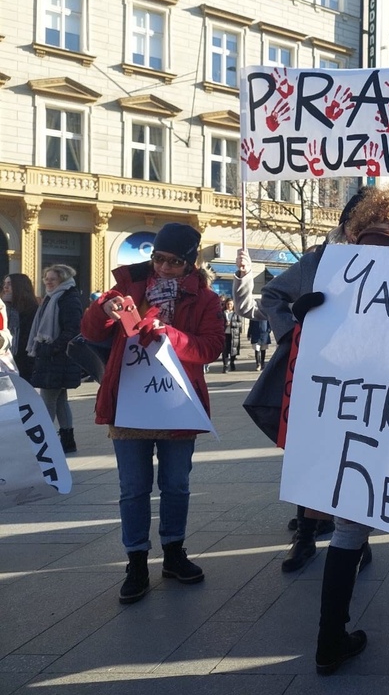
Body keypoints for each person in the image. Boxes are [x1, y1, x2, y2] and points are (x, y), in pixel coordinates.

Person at [257, 182, 389, 674]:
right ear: (356, 243)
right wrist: (304, 326)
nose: (384, 258)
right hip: (362, 421)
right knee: (352, 530)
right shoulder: (330, 281)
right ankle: (330, 638)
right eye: (373, 246)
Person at [81, 223, 224, 604]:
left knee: (176, 484)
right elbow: (91, 329)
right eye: (158, 258)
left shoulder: (205, 299)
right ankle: (137, 562)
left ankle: (174, 552)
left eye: (174, 262)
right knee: (133, 488)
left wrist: (169, 334)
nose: (163, 268)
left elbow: (210, 348)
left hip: (178, 404)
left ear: (190, 263)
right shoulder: (127, 286)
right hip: (129, 404)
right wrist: (103, 307)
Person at [28, 264, 84, 454]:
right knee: (60, 400)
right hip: (55, 358)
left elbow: (73, 329)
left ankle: (45, 441)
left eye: (53, 279)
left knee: (48, 399)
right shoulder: (53, 298)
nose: (48, 282)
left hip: (58, 358)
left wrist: (52, 348)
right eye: (46, 278)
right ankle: (67, 441)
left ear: (63, 280)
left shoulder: (67, 298)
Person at [3, 273, 39, 380]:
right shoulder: (3, 307)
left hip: (24, 360)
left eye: (9, 284)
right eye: (5, 284)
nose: (5, 287)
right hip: (5, 359)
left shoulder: (32, 310)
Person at [223, 298, 241, 372]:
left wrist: (232, 324)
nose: (229, 305)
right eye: (228, 304)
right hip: (225, 334)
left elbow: (240, 323)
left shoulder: (236, 313)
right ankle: (225, 366)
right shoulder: (223, 313)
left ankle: (232, 363)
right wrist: (224, 324)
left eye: (230, 304)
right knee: (225, 350)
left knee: (233, 350)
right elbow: (218, 323)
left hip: (234, 335)